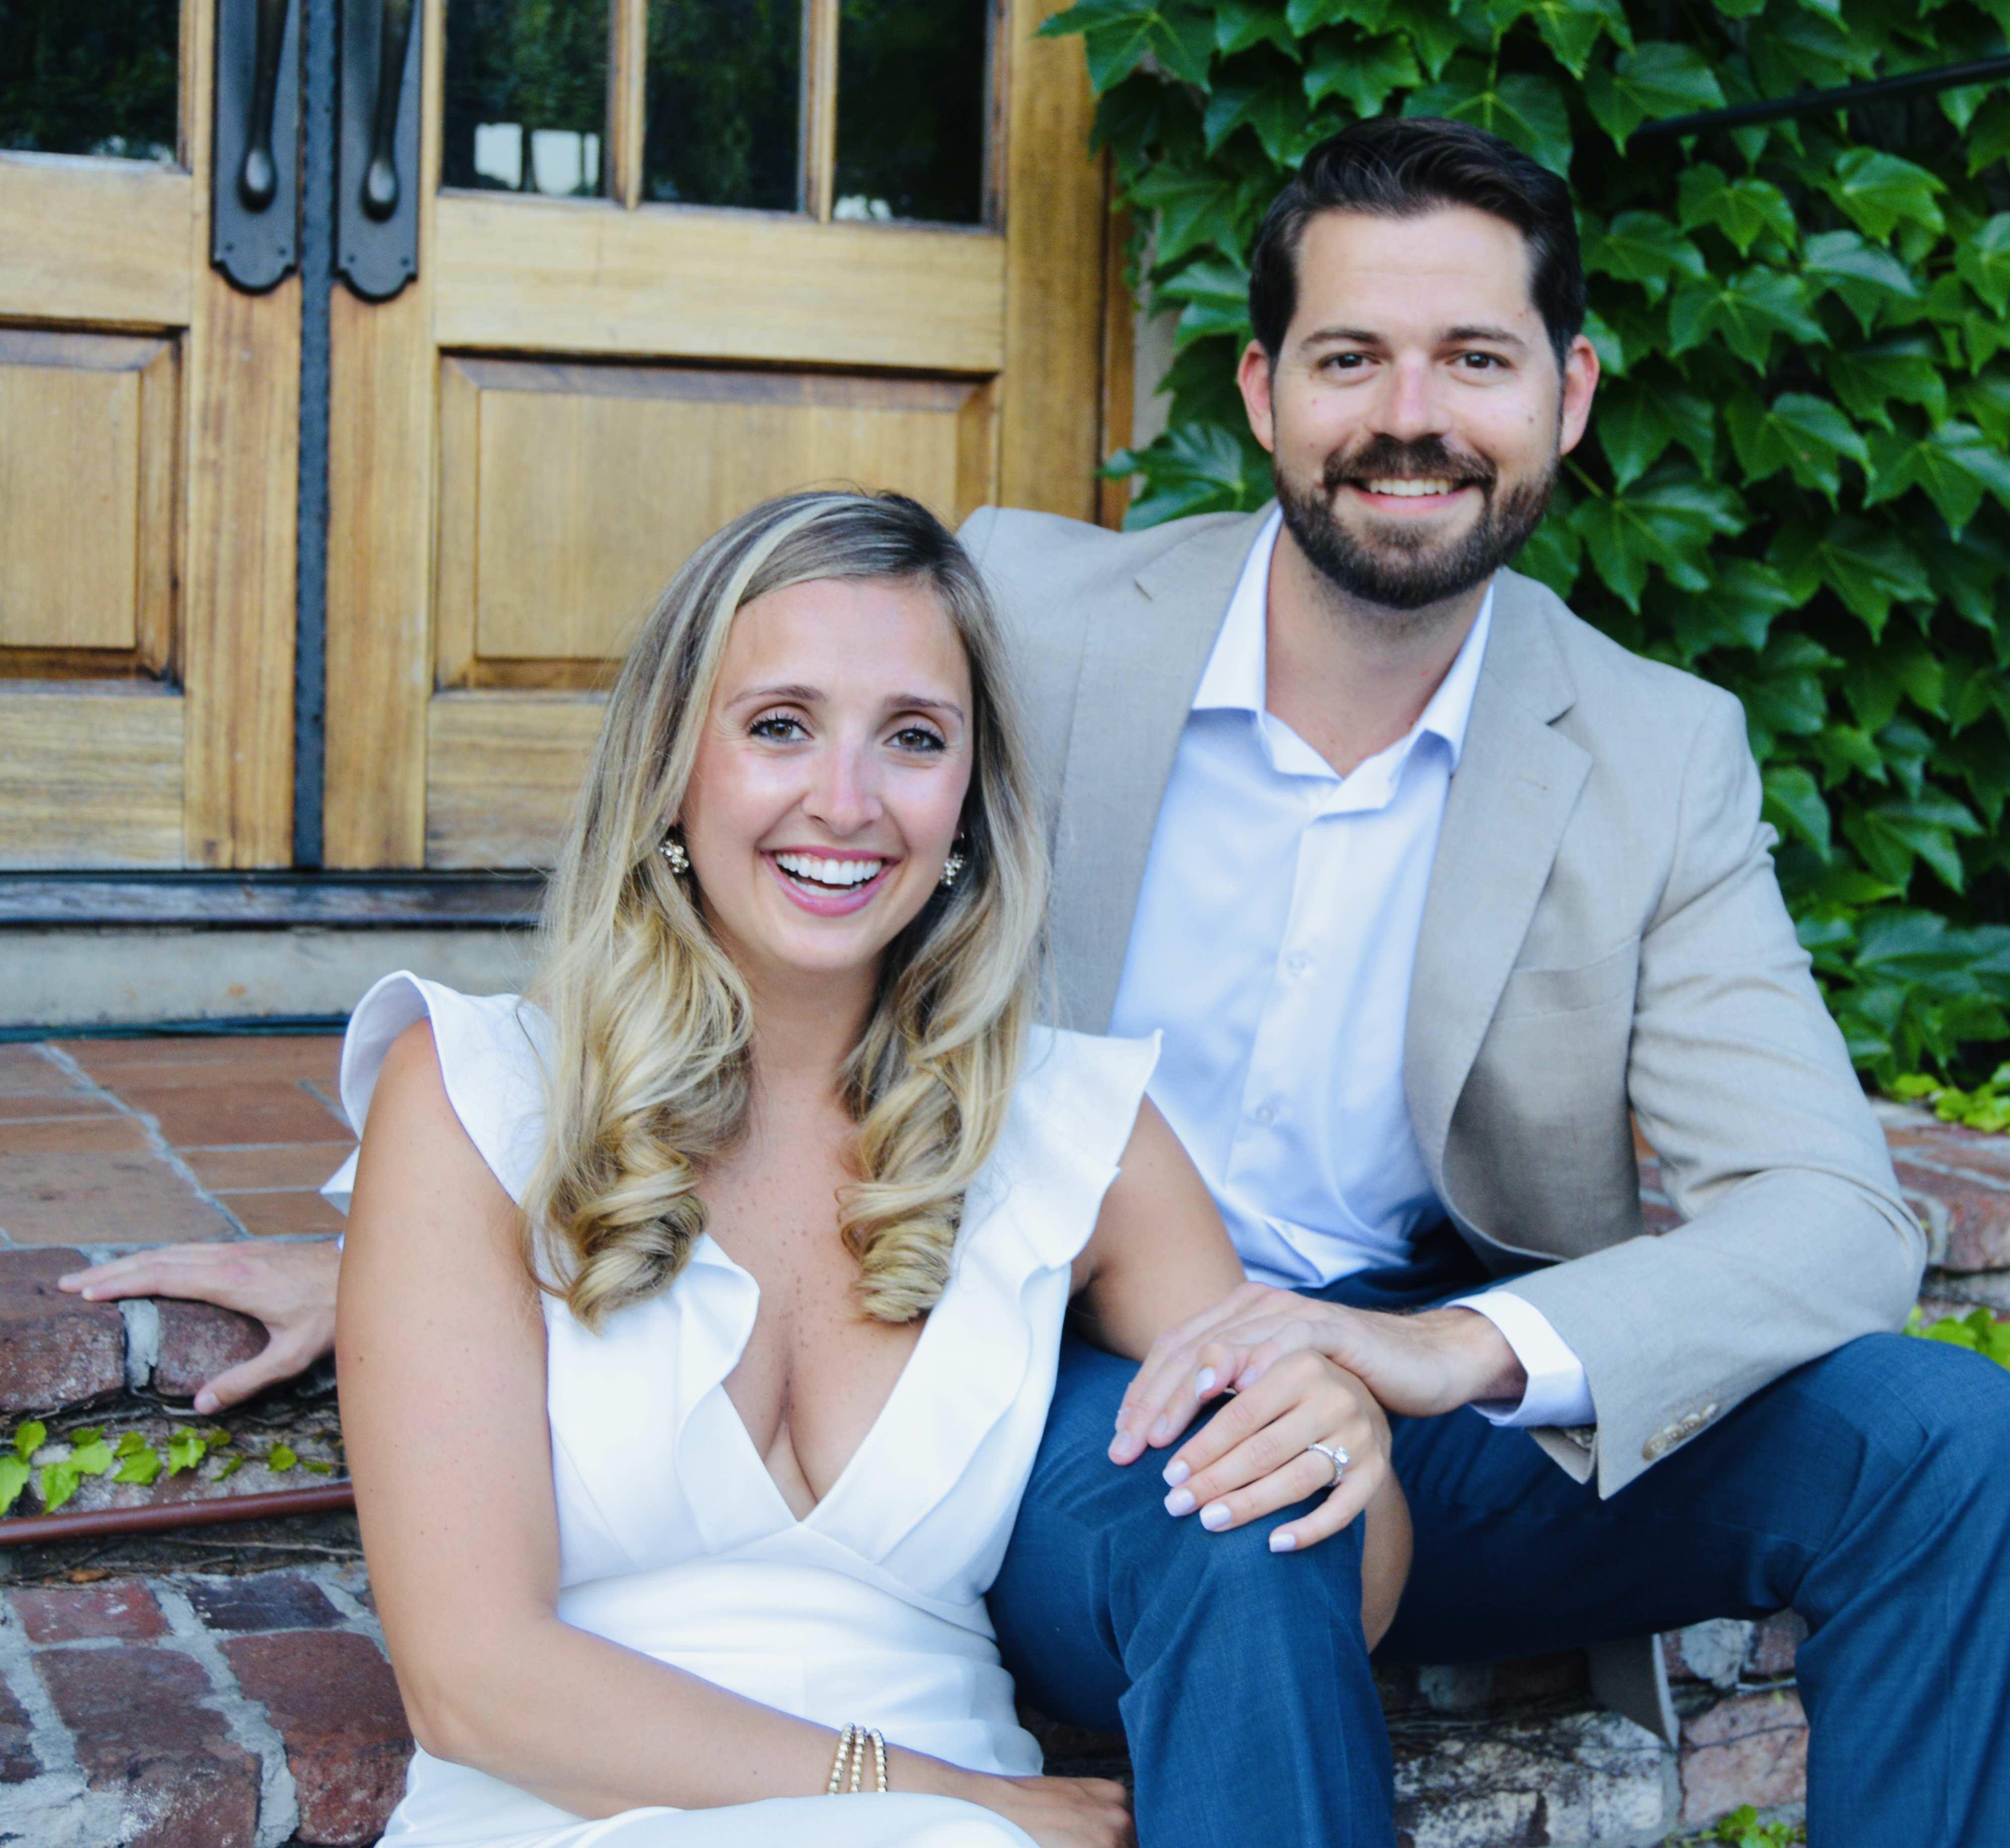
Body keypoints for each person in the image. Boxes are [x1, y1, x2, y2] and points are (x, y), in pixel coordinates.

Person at [64, 117, 2010, 1843]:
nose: (1409, 416)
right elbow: (752, 822)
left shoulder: (1655, 750)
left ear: (1569, 395)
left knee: (1948, 1448)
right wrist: (444, 1251)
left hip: (1432, 1386)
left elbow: (1833, 1216)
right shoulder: (1026, 614)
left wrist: (1448, 1355)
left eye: (1476, 359)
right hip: (1066, 1368)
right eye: (1350, 356)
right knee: (1236, 1491)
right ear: (1261, 390)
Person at [330, 490, 1408, 1847]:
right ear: (672, 764)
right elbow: (474, 1683)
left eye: (913, 738)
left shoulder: (1076, 1133)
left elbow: (1324, 1604)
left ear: (969, 798)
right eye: (780, 726)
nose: (845, 803)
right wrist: (947, 1796)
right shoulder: (479, 1096)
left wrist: (1349, 1448)